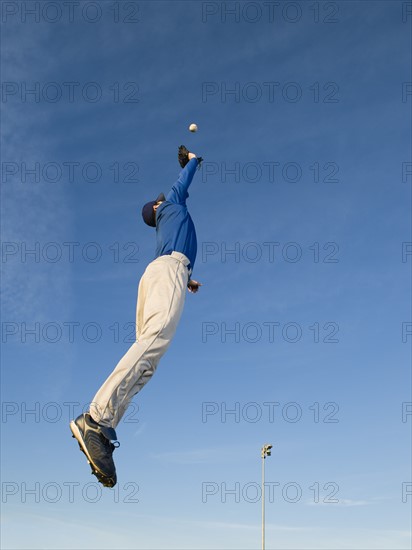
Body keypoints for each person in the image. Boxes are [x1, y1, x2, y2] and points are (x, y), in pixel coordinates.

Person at [70, 147, 203, 487]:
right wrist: (192, 161)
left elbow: (173, 250)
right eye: (158, 200)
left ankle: (103, 427)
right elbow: (182, 183)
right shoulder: (171, 206)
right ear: (157, 209)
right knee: (152, 345)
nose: (163, 198)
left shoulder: (168, 225)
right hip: (167, 272)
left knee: (147, 358)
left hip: (163, 273)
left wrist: (186, 279)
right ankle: (95, 419)